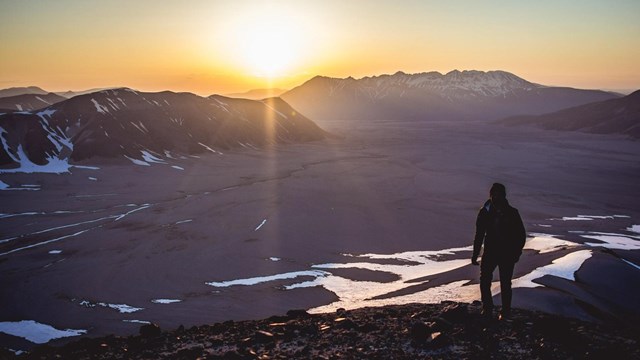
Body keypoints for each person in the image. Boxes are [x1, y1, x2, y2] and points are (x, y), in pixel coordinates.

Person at [472, 183, 526, 320]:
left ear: (503, 195)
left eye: (498, 194)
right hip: (491, 252)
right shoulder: (485, 212)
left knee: (505, 282)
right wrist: (475, 253)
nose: (496, 197)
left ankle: (505, 311)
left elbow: (520, 235)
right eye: (494, 194)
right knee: (486, 280)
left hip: (506, 253)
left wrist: (516, 253)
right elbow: (479, 234)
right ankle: (488, 308)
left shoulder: (511, 213)